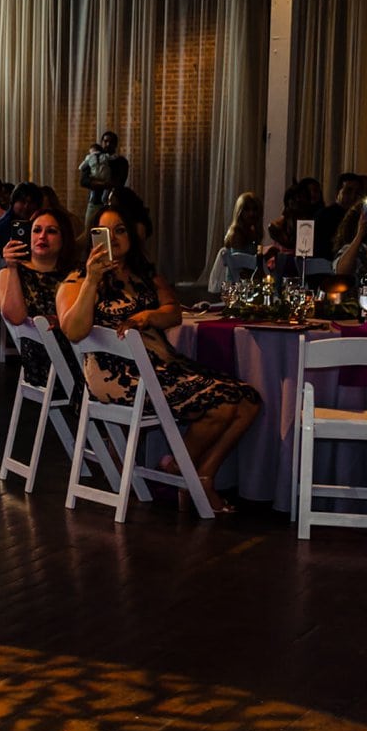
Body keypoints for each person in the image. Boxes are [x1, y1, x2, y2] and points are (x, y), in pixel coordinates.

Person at [59, 206, 259, 514]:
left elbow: (174, 311)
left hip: (162, 365)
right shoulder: (78, 278)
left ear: (132, 237)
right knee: (223, 405)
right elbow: (73, 330)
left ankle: (198, 473)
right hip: (117, 374)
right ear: (93, 237)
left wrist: (148, 316)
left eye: (121, 230)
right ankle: (188, 475)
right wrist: (92, 281)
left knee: (249, 400)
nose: (113, 238)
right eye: (105, 231)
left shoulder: (144, 274)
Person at [0, 204, 77, 388]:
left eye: (52, 231)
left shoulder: (76, 275)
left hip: (77, 352)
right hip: (43, 364)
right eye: (36, 230)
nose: (42, 236)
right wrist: (13, 267)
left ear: (64, 238)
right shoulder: (7, 275)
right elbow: (15, 317)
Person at [203, 191, 262, 293]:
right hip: (237, 284)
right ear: (240, 212)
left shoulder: (253, 231)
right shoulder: (236, 233)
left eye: (254, 209)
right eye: (247, 210)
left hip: (248, 280)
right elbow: (238, 263)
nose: (251, 213)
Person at [77, 131, 130, 227]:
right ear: (101, 142)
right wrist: (104, 184)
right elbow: (84, 181)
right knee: (89, 231)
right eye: (105, 141)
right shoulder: (93, 158)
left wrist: (96, 183)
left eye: (111, 142)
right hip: (94, 202)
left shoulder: (120, 161)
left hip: (112, 203)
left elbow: (119, 183)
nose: (108, 144)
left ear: (116, 144)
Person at [0, 182, 42, 254]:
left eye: (31, 202)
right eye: (22, 202)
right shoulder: (3, 226)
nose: (26, 206)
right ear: (13, 202)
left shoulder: (40, 223)